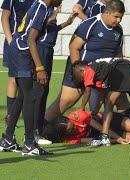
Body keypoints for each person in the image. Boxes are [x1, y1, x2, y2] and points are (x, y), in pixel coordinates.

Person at [44, 0, 130, 128]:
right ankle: (40, 128)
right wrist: (78, 70)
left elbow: (118, 53)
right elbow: (73, 47)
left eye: (121, 18)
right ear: (107, 13)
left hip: (103, 74)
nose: (119, 21)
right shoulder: (90, 24)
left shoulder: (118, 30)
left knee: (120, 98)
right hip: (81, 71)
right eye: (116, 17)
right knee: (65, 101)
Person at [0, 0, 63, 156]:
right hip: (23, 52)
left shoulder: (39, 5)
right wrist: (40, 68)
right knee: (30, 96)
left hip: (17, 50)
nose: (61, 1)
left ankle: (8, 139)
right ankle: (29, 144)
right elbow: (31, 39)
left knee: (22, 96)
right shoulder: (41, 7)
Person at [71, 58, 130, 146]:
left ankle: (104, 136)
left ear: (81, 70)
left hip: (121, 71)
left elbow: (87, 91)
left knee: (109, 103)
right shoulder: (100, 72)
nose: (82, 81)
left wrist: (82, 108)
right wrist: (94, 112)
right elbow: (101, 97)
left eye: (80, 78)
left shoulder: (88, 69)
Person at [32, 6, 78, 145]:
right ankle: (33, 134)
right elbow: (34, 31)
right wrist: (51, 18)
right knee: (38, 94)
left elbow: (52, 30)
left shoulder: (49, 9)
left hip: (48, 52)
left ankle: (38, 131)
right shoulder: (42, 8)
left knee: (44, 92)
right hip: (42, 51)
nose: (61, 4)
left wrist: (67, 23)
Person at [42, 110, 130, 145]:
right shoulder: (70, 141)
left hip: (108, 121)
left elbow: (102, 128)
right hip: (106, 136)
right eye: (71, 130)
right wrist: (119, 140)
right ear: (65, 134)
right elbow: (97, 140)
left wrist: (118, 138)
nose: (74, 129)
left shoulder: (77, 115)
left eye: (72, 126)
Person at [1, 0, 35, 126]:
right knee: (14, 79)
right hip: (14, 43)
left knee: (28, 81)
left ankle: (28, 117)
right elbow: (4, 18)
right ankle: (10, 116)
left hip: (30, 44)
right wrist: (11, 41)